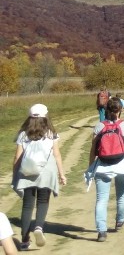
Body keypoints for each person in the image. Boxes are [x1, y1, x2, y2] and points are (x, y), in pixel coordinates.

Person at [11, 104, 67, 250]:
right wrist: (61, 174)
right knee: (43, 201)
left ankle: (24, 240)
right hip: (46, 172)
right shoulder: (51, 133)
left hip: (27, 171)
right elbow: (57, 154)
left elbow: (17, 157)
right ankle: (39, 227)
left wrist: (15, 174)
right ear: (45, 116)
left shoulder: (23, 134)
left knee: (27, 205)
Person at [89, 98, 124, 242]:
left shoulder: (98, 127)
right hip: (122, 165)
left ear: (106, 110)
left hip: (103, 166)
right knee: (122, 196)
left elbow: (93, 150)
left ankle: (102, 231)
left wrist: (91, 167)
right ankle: (120, 220)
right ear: (121, 110)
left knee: (101, 199)